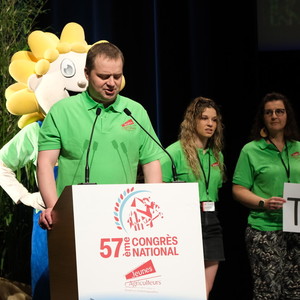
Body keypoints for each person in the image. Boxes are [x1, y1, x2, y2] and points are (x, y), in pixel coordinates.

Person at [37, 42, 163, 231]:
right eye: (103, 76)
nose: (112, 83)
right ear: (87, 74)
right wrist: (54, 209)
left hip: (124, 220)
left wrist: (154, 206)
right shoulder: (62, 111)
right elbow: (45, 163)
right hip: (74, 219)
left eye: (117, 76)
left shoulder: (135, 111)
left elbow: (151, 162)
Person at [232, 92, 300, 300]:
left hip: (296, 229)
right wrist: (264, 203)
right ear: (263, 117)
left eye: (279, 111)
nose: (274, 116)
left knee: (294, 291)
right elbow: (238, 189)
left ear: (287, 115)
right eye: (268, 112)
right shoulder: (251, 150)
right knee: (268, 293)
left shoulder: (297, 147)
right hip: (264, 231)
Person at [159, 96, 225, 298]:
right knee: (185, 283)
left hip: (211, 219)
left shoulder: (216, 154)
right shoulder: (173, 152)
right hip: (184, 221)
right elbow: (158, 189)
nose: (210, 124)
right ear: (193, 121)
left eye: (214, 120)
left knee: (206, 288)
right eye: (204, 118)